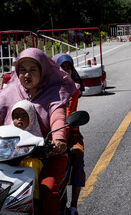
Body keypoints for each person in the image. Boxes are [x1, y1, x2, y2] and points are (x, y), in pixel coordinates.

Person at [0, 48, 77, 214]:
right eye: (23, 70)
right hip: (11, 154)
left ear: (43, 71)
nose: (27, 75)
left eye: (33, 70)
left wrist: (59, 140)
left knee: (46, 191)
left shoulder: (54, 93)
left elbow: (58, 118)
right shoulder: (10, 92)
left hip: (48, 155)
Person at [53, 53, 85, 215]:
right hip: (47, 131)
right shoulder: (44, 86)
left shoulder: (73, 88)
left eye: (68, 68)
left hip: (69, 131)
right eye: (61, 68)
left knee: (78, 154)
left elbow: (68, 112)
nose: (65, 71)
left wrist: (60, 139)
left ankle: (73, 205)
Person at [10, 99, 44, 207]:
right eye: (16, 116)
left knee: (32, 165)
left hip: (29, 162)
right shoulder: (8, 132)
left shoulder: (35, 134)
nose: (19, 119)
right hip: (11, 161)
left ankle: (33, 200)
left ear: (31, 117)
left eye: (24, 116)